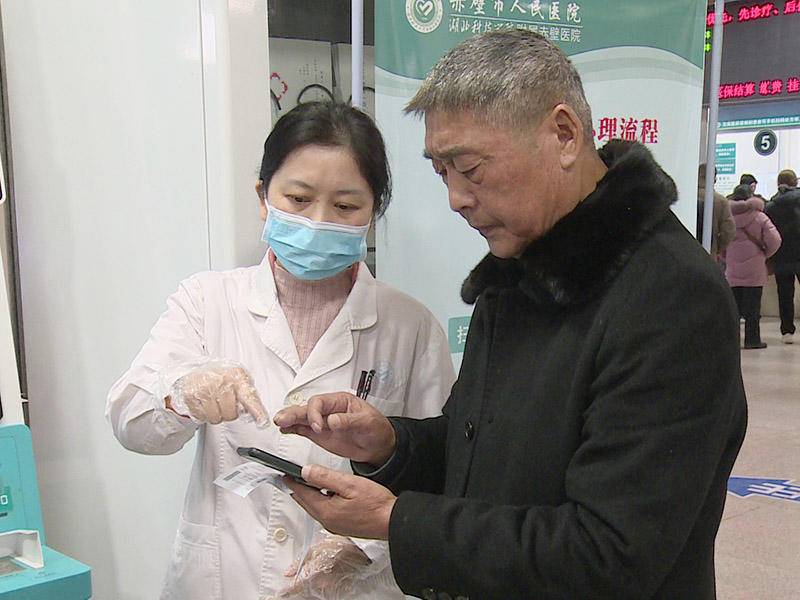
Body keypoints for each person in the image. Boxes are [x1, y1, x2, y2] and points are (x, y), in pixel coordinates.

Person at [273, 30, 748, 600]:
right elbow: (478, 450)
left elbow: (610, 552)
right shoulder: (519, 274)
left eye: (470, 168)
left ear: (564, 135)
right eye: (441, 172)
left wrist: (396, 521)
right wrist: (388, 444)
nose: (456, 198)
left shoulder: (669, 297)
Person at [106, 102, 455, 600]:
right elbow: (130, 424)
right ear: (263, 197)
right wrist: (178, 395)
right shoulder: (207, 301)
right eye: (298, 198)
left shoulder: (411, 325)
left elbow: (438, 470)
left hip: (352, 588)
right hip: (225, 578)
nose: (318, 222)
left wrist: (365, 548)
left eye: (345, 207)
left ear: (373, 213)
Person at [724, 184, 781, 349]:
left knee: (734, 308)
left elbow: (722, 240)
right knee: (753, 308)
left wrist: (726, 257)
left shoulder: (728, 218)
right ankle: (752, 340)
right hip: (755, 268)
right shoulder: (760, 217)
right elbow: (775, 239)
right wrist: (765, 254)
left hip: (733, 268)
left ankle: (732, 341)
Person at [765, 169, 800, 344]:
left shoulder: (771, 206)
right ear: (795, 182)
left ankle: (787, 331)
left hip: (781, 255)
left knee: (785, 294)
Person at [697, 163, 735, 260]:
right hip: (709, 254)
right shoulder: (721, 201)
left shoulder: (686, 197)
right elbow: (728, 231)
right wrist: (716, 249)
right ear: (714, 179)